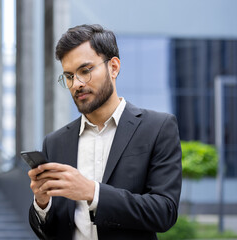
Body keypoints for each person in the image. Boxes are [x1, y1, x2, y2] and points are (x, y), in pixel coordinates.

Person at [28, 24, 182, 240]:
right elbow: (51, 232)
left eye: (85, 71)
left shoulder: (158, 127)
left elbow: (164, 211)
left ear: (114, 67)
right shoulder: (55, 142)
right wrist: (42, 203)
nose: (77, 84)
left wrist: (92, 192)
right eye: (69, 76)